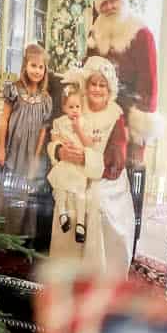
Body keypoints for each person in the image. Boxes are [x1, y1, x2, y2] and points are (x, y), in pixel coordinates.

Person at [47, 56, 134, 279]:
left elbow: (115, 163)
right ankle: (65, 273)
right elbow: (56, 135)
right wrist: (59, 151)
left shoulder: (115, 116)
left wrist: (85, 159)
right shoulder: (76, 105)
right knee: (68, 195)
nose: (96, 89)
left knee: (96, 202)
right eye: (93, 84)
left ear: (109, 88)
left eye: (102, 84)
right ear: (86, 85)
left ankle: (98, 277)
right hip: (72, 172)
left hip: (105, 179)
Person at [88, 0, 159, 246]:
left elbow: (150, 83)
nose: (108, 7)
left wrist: (140, 132)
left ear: (124, 1)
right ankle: (103, 231)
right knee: (104, 173)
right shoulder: (97, 32)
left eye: (113, 1)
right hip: (102, 112)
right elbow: (88, 68)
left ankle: (132, 236)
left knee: (131, 174)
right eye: (103, 3)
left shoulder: (141, 33)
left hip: (131, 117)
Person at [0, 42, 53, 241]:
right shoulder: (14, 90)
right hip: (12, 151)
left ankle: (19, 240)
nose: (37, 70)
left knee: (25, 196)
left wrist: (36, 155)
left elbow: (43, 129)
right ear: (25, 65)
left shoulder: (45, 99)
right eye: (33, 65)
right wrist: (0, 149)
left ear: (45, 70)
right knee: (7, 192)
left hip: (30, 154)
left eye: (41, 67)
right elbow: (4, 121)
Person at [45, 84, 99, 244]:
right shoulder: (59, 122)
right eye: (71, 107)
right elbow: (54, 139)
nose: (75, 110)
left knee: (79, 193)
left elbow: (89, 144)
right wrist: (61, 143)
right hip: (65, 162)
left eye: (77, 107)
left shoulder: (85, 123)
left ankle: (80, 224)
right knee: (60, 188)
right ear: (64, 107)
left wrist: (78, 130)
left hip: (78, 165)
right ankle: (63, 214)